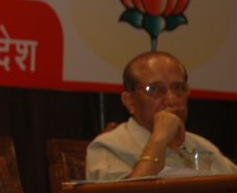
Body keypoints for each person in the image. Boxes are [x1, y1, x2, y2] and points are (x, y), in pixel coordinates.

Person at [86, 51, 237, 180]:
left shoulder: (203, 147)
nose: (171, 98)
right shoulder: (108, 147)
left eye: (178, 88)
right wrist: (159, 139)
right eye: (155, 89)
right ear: (130, 101)